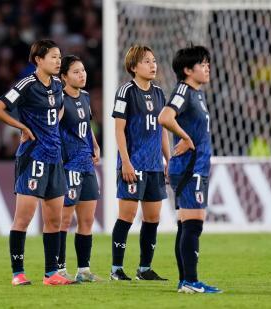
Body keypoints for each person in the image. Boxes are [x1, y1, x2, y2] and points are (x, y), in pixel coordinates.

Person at [0, 39, 73, 286]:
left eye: (59, 57)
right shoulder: (26, 84)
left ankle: (51, 274)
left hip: (55, 158)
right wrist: (22, 126)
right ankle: (18, 273)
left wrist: (52, 129)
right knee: (23, 218)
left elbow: (58, 111)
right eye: (54, 57)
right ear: (38, 60)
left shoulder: (58, 84)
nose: (58, 61)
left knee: (54, 220)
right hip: (33, 156)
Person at [158, 45, 222, 294]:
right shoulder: (183, 90)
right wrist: (184, 138)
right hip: (189, 168)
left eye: (208, 63)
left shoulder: (196, 93)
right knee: (193, 224)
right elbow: (165, 117)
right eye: (202, 64)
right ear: (187, 69)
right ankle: (191, 282)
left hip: (195, 167)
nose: (207, 68)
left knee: (187, 224)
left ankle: (186, 280)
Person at [110, 45, 170, 280]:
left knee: (153, 218)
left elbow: (163, 129)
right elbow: (119, 129)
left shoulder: (159, 93)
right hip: (133, 164)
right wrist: (125, 162)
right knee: (127, 216)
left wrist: (168, 158)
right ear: (133, 67)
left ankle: (145, 268)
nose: (153, 65)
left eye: (154, 61)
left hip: (154, 164)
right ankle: (116, 269)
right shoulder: (126, 91)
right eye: (147, 61)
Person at [57, 55, 102, 282]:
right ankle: (60, 269)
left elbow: (86, 126)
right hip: (69, 166)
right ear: (64, 76)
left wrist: (94, 144)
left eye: (83, 70)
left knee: (87, 220)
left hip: (87, 165)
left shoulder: (84, 96)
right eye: (75, 71)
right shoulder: (60, 100)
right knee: (64, 221)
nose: (82, 74)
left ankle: (83, 271)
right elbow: (52, 127)